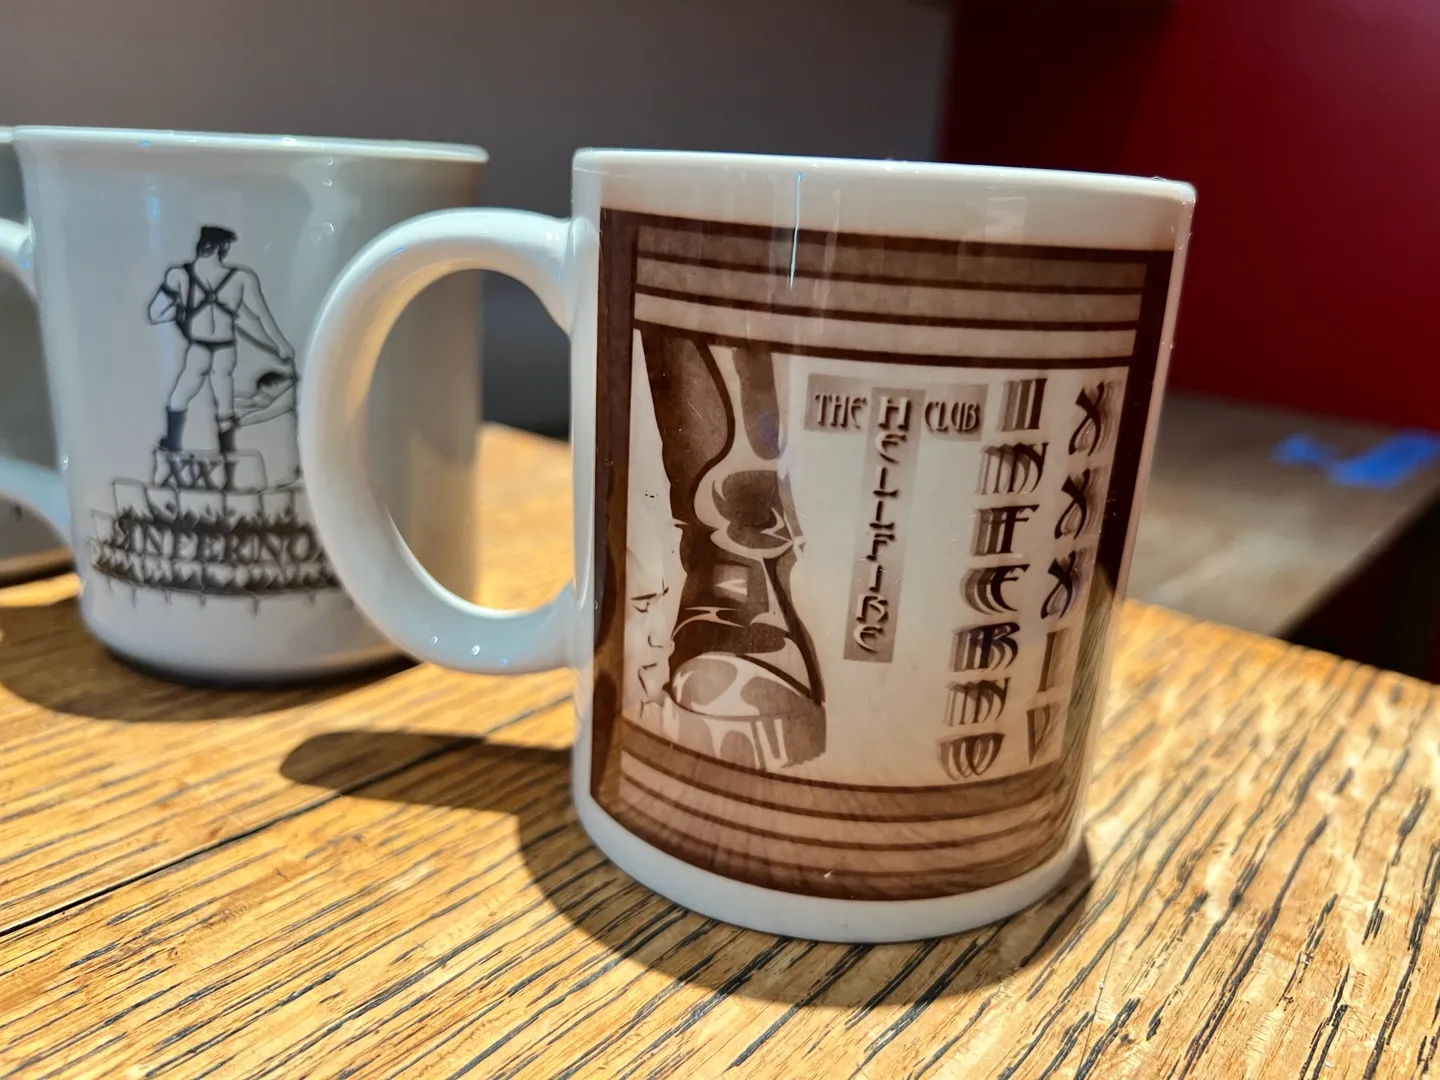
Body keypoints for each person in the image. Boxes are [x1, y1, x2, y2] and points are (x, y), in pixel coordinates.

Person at [147, 225, 294, 459]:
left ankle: (172, 446)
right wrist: (280, 346)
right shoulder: (241, 277)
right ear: (222, 247)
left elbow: (155, 314)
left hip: (199, 347)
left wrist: (183, 310)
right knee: (224, 404)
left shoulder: (179, 275)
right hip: (225, 347)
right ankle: (228, 457)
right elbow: (259, 319)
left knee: (179, 396)